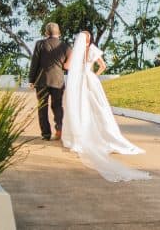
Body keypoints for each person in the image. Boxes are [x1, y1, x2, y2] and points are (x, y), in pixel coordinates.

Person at [62, 30, 150, 182]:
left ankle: (79, 135)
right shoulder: (94, 50)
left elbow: (67, 66)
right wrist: (92, 74)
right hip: (90, 79)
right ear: (90, 40)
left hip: (79, 81)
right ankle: (104, 134)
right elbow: (103, 66)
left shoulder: (76, 51)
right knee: (98, 107)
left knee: (81, 107)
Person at [28, 23, 72, 141]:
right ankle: (59, 128)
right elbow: (68, 65)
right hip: (58, 81)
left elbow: (34, 63)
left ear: (46, 33)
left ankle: (46, 134)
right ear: (59, 33)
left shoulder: (40, 44)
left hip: (42, 80)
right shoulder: (66, 46)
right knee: (57, 106)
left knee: (42, 107)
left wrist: (31, 80)